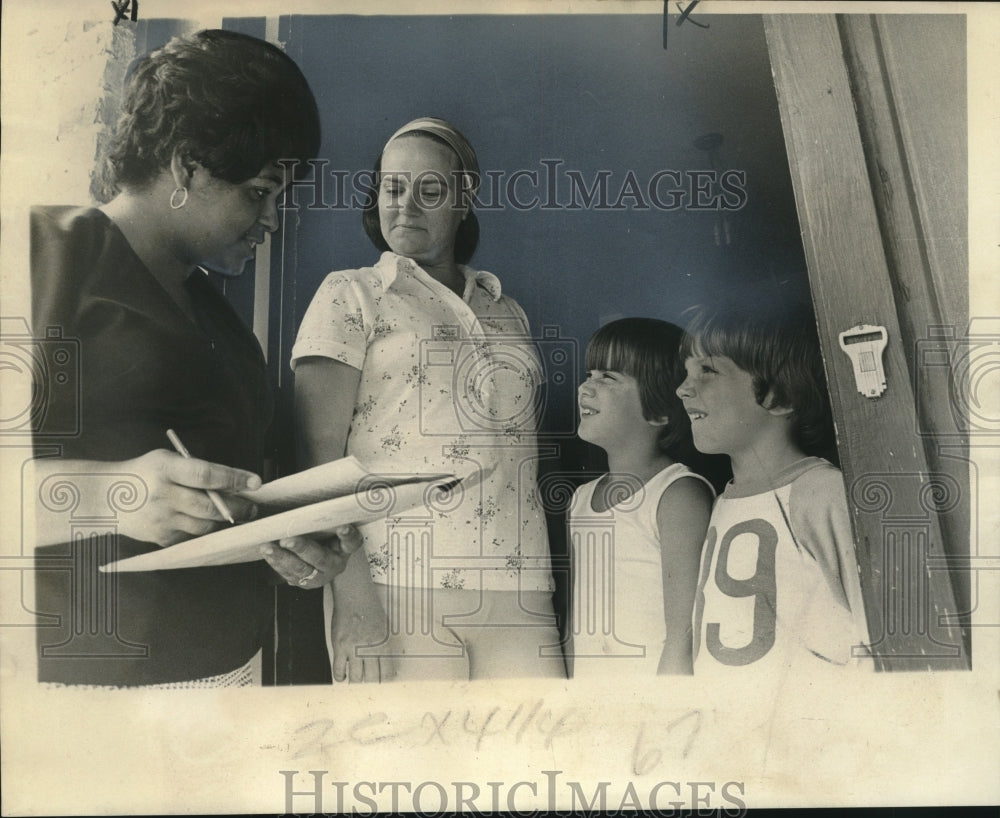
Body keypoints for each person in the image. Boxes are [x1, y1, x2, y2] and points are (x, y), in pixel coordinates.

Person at [30, 30, 357, 688]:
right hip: (91, 691)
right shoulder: (45, 255)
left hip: (227, 675)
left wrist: (288, 538)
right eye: (259, 192)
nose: (273, 219)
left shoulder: (223, 322)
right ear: (187, 167)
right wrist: (111, 496)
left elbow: (226, 499)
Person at [291, 116, 563, 682]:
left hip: (520, 584)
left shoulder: (505, 309)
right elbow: (318, 456)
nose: (406, 204)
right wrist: (355, 599)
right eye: (393, 187)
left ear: (463, 203)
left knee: (534, 761)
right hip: (397, 583)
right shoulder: (352, 294)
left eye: (430, 189)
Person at [676, 299, 872, 675]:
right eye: (686, 371)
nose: (683, 389)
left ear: (779, 395)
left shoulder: (823, 493)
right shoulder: (723, 501)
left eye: (708, 370)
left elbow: (874, 639)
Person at [567, 318, 714, 678]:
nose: (586, 386)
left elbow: (684, 635)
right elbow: (574, 628)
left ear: (660, 410)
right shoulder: (580, 500)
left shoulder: (677, 495)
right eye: (590, 373)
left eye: (608, 377)